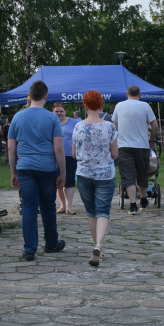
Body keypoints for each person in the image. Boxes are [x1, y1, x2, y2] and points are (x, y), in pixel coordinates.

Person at [7, 80, 66, 261]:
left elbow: (11, 148)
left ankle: (30, 249)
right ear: (46, 96)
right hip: (47, 168)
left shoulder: (18, 117)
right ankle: (51, 243)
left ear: (30, 96)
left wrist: (13, 172)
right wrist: (62, 172)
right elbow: (58, 148)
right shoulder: (51, 118)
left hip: (25, 167)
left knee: (29, 207)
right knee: (48, 206)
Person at [72, 90, 118, 267]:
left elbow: (74, 154)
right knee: (103, 211)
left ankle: (97, 247)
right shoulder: (109, 126)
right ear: (101, 106)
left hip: (84, 174)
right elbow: (114, 154)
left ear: (85, 105)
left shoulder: (78, 126)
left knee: (91, 212)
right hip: (105, 174)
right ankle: (99, 245)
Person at [111, 85, 158, 214]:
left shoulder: (119, 105)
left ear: (127, 94)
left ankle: (132, 205)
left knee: (128, 175)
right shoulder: (145, 106)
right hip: (142, 145)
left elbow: (115, 125)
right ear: (140, 95)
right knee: (142, 173)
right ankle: (143, 199)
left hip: (124, 146)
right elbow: (155, 126)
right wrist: (151, 139)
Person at [53, 102, 79, 214]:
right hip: (54, 156)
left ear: (65, 111)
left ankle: (69, 206)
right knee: (58, 182)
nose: (59, 113)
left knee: (69, 181)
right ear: (53, 112)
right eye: (56, 111)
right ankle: (62, 205)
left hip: (70, 155)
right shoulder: (51, 122)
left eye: (61, 111)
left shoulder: (74, 122)